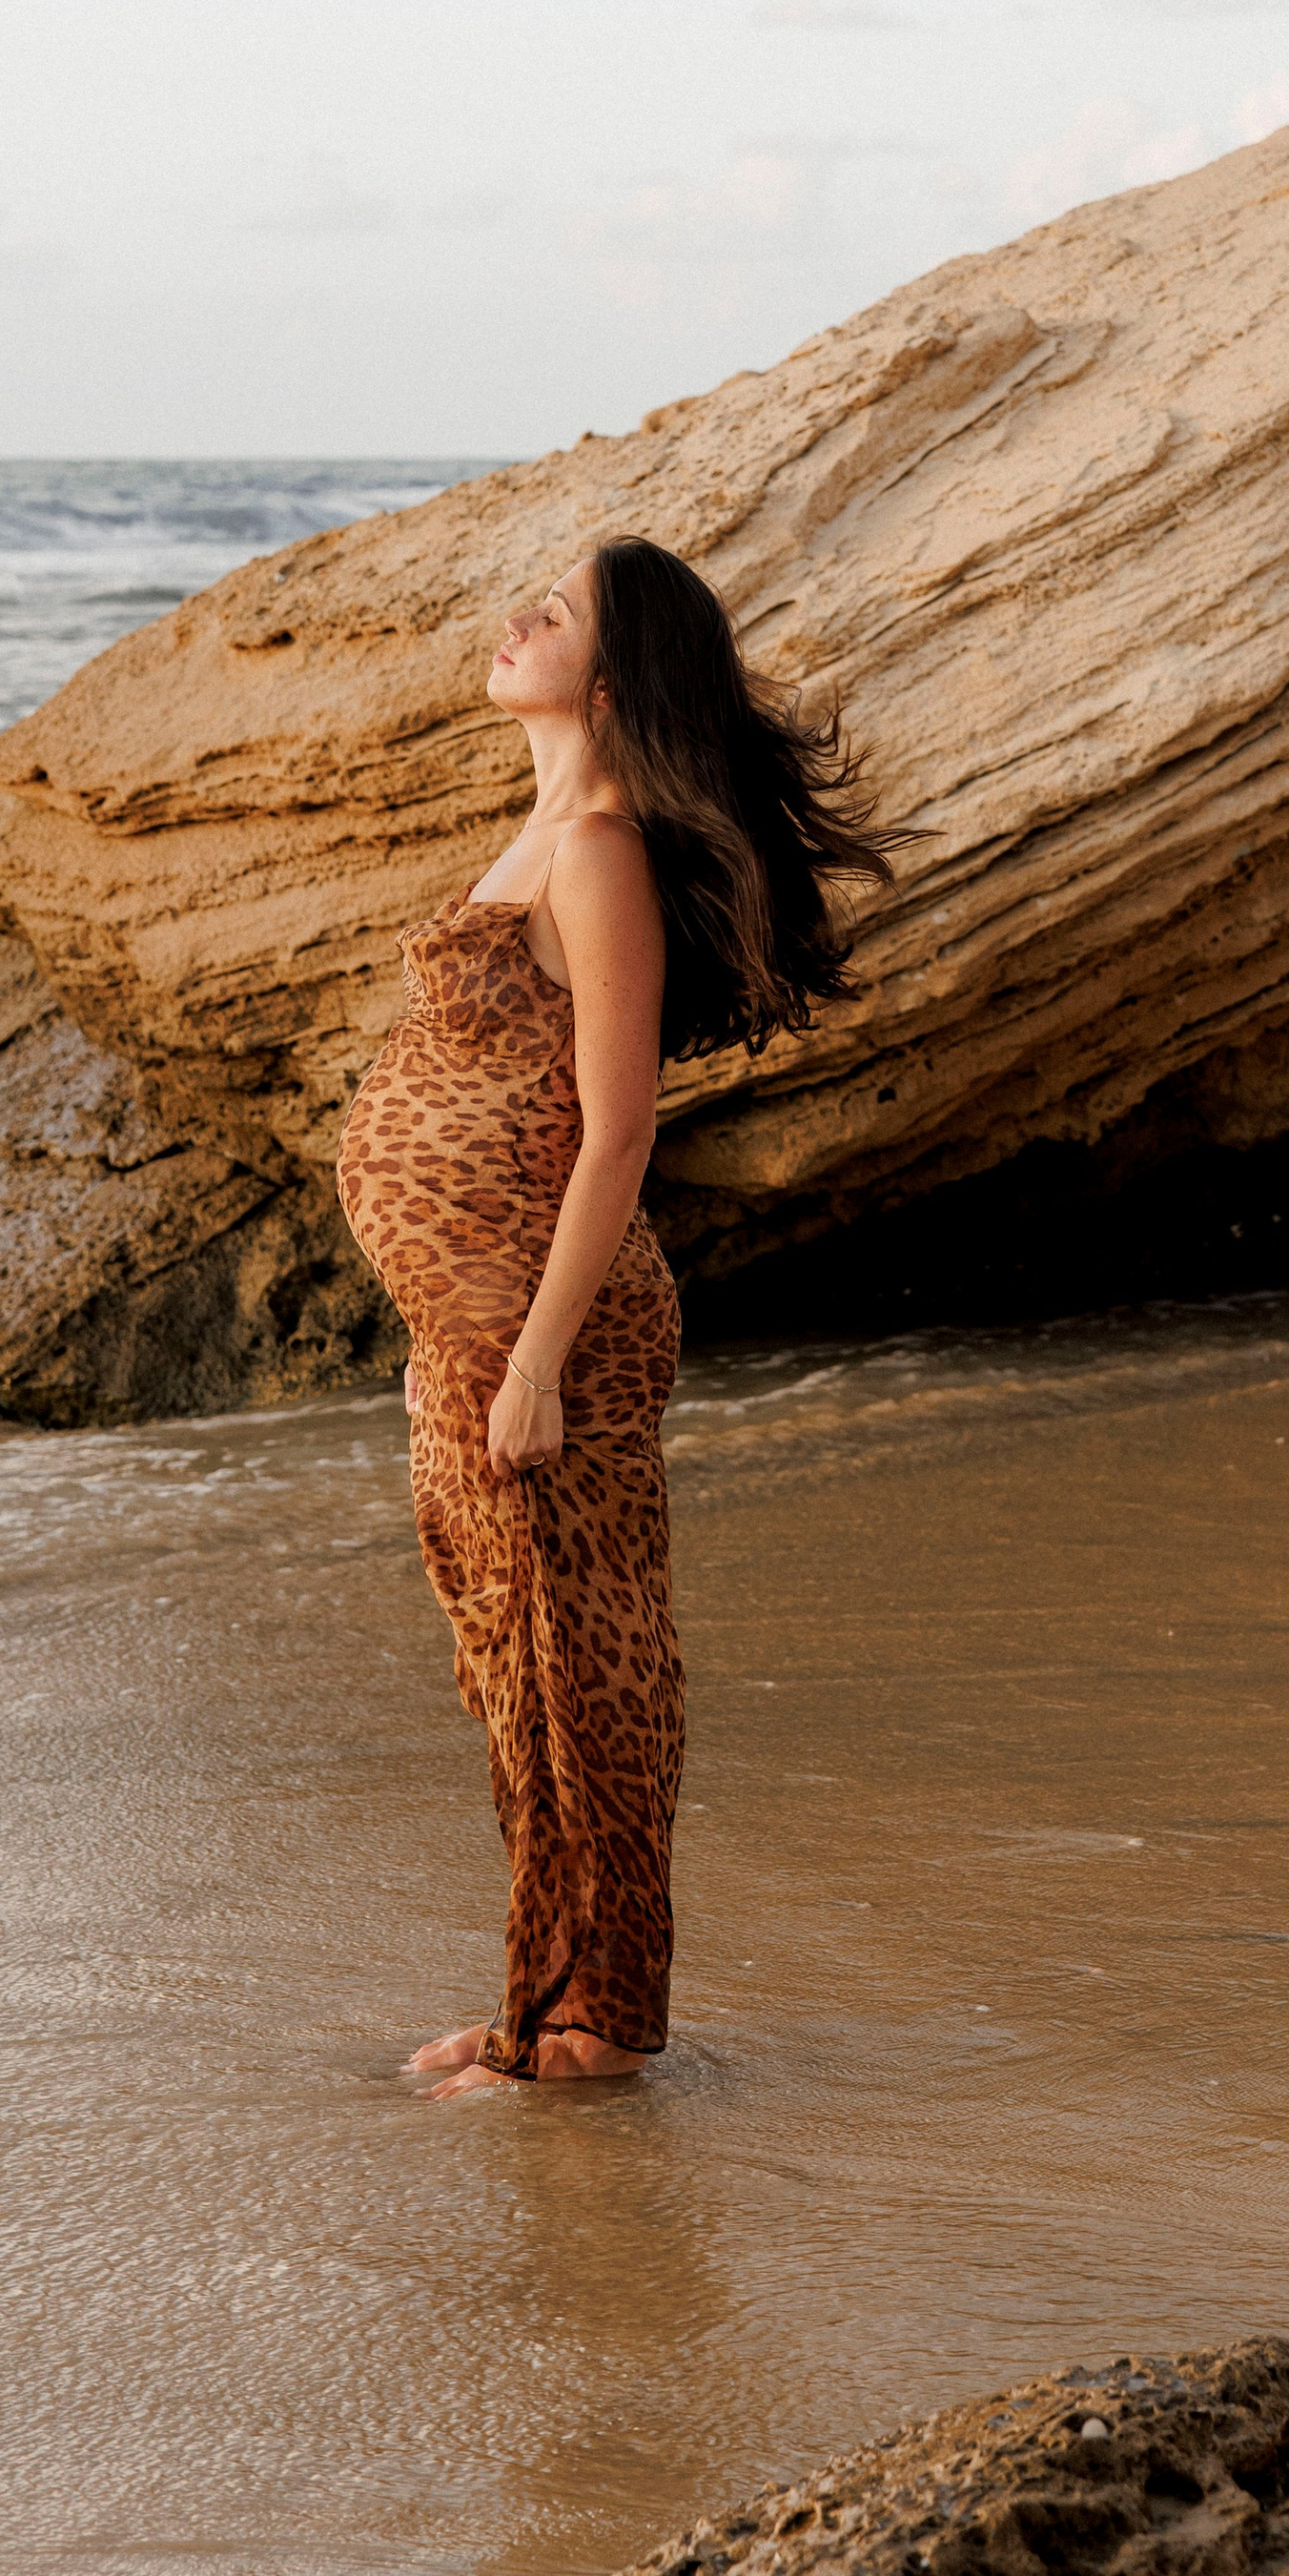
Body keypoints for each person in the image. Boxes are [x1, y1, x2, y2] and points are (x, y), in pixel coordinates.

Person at [335, 535, 897, 2094]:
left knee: (585, 1670)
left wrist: (530, 1364)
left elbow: (619, 1131)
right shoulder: (543, 827)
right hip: (480, 1324)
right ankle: (543, 1986)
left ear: (614, 673)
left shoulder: (599, 848)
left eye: (561, 613)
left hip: (551, 1329)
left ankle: (593, 2026)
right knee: (513, 1670)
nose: (519, 618)